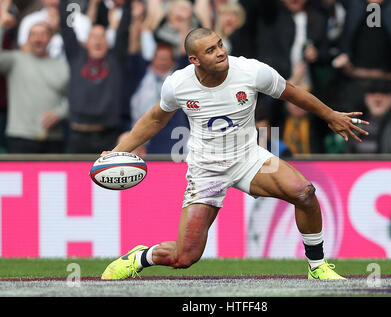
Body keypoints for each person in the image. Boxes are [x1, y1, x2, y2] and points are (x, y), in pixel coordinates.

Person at [100, 28, 369, 280]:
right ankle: (140, 257)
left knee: (304, 193)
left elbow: (293, 94)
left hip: (247, 158)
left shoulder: (251, 71)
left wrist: (330, 115)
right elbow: (155, 120)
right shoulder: (178, 84)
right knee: (184, 257)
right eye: (210, 50)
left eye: (220, 45)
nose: (220, 52)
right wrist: (116, 152)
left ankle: (317, 267)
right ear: (194, 59)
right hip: (206, 170)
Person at [59, 0, 131, 153]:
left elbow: (124, 29)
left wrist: (127, 4)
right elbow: (66, 27)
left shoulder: (115, 60)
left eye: (102, 36)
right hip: (78, 136)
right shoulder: (76, 56)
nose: (98, 40)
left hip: (108, 136)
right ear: (86, 42)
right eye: (94, 36)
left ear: (108, 42)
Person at [0, 19, 69, 153]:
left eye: (43, 34)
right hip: (20, 136)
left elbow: (76, 99)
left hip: (52, 138)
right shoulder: (16, 60)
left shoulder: (63, 66)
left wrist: (59, 113)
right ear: (28, 39)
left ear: (50, 39)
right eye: (34, 34)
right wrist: (2, 26)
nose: (38, 38)